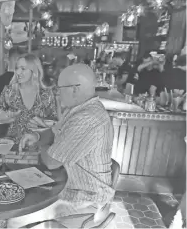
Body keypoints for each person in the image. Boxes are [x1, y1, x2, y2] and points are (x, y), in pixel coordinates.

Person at [6, 64, 115, 228]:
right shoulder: (80, 109)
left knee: (15, 218)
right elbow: (54, 131)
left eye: (60, 88)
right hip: (71, 186)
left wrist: (39, 146)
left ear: (75, 90)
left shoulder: (86, 118)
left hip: (85, 199)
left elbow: (52, 161)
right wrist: (36, 136)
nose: (57, 92)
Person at [0, 54, 57, 143]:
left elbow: (54, 123)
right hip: (12, 143)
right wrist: (6, 115)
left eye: (23, 69)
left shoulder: (46, 94)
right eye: (17, 68)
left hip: (38, 143)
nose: (18, 72)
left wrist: (41, 124)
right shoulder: (9, 91)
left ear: (34, 71)